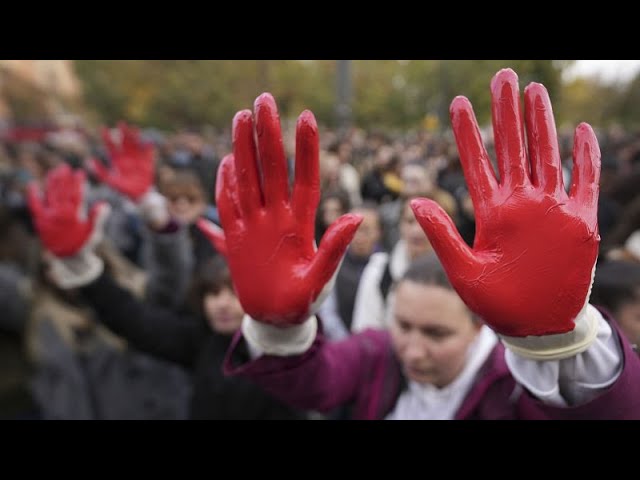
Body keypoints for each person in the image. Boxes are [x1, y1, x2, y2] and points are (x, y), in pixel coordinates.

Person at [202, 70, 640, 419]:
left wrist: (554, 344)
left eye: (436, 333)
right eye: (404, 326)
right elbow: (317, 384)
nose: (413, 349)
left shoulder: (512, 387)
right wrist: (279, 329)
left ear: (477, 328)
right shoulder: (377, 355)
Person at [27, 127, 309, 420]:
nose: (221, 304)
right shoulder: (202, 340)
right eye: (213, 294)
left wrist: (288, 323)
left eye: (233, 294)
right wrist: (82, 269)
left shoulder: (281, 352)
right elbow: (133, 319)